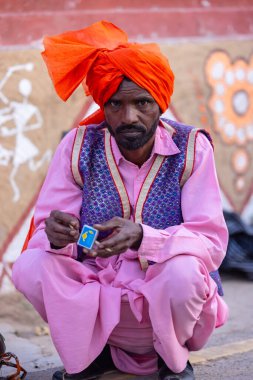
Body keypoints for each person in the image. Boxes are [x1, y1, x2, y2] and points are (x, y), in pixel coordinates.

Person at [12, 21, 229, 380]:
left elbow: (211, 242)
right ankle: (90, 357)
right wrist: (56, 237)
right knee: (31, 266)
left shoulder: (192, 148)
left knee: (184, 271)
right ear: (103, 104)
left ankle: (171, 359)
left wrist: (146, 238)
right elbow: (48, 231)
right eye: (115, 104)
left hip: (162, 294)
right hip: (97, 293)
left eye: (142, 102)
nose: (129, 117)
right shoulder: (79, 146)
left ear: (160, 103)